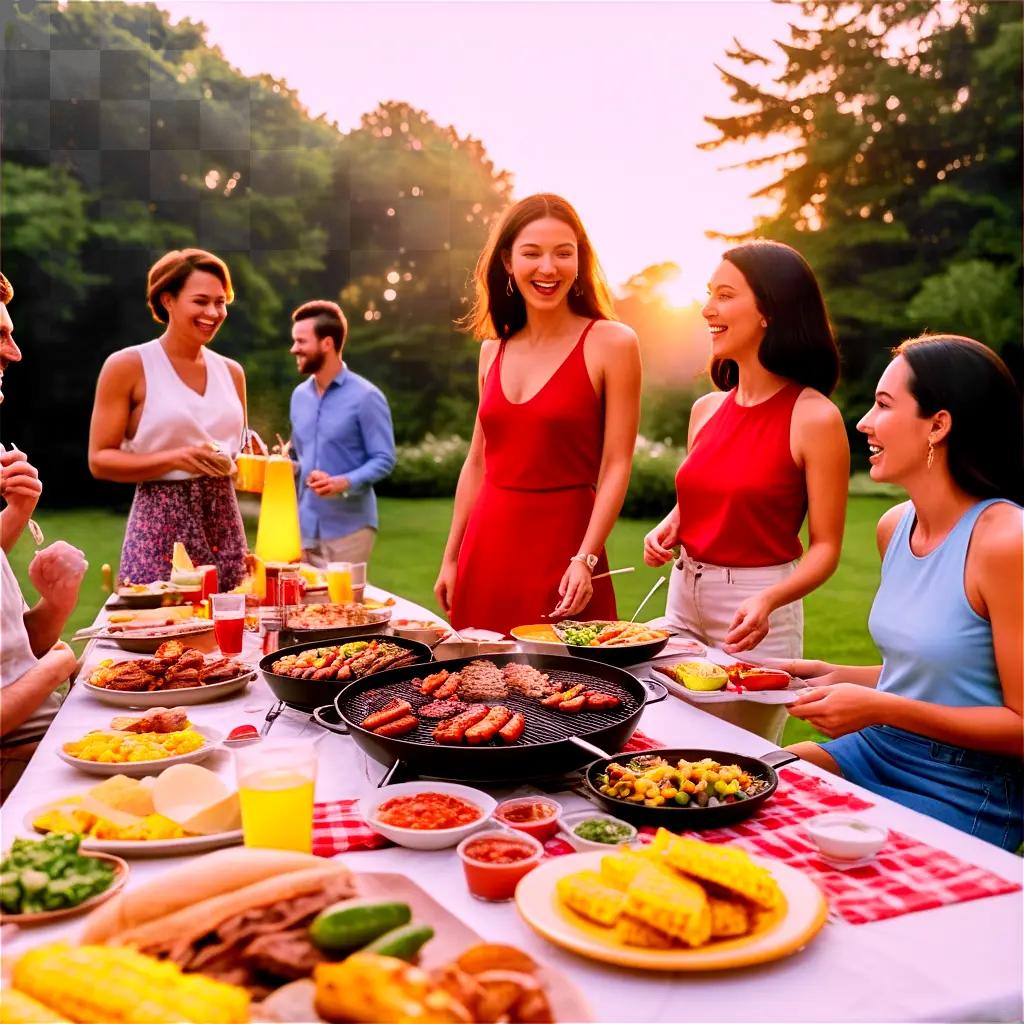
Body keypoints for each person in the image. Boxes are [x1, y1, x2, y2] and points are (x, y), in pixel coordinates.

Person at [781, 335, 1022, 850]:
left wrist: (879, 706)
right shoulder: (895, 526)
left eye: (884, 405)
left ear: (938, 424)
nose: (864, 421)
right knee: (754, 785)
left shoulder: (1007, 542)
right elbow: (941, 675)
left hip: (968, 784)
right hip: (878, 748)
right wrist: (836, 675)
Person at [642, 241, 849, 741]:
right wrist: (672, 522)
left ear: (768, 312)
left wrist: (770, 600)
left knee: (739, 758)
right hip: (683, 595)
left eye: (725, 295)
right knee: (667, 744)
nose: (708, 309)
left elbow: (826, 547)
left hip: (757, 611)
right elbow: (707, 491)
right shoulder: (707, 411)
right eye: (709, 294)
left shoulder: (814, 416)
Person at [435, 193, 642, 635]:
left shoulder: (612, 342)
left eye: (563, 253)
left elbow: (618, 463)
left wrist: (586, 557)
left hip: (566, 552)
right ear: (508, 261)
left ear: (579, 261)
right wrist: (451, 557)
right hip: (486, 549)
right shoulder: (492, 350)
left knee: (572, 694)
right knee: (476, 689)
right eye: (532, 253)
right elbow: (477, 462)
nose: (548, 268)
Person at [88, 249, 248, 589]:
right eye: (200, 301)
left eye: (220, 302)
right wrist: (176, 458)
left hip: (224, 523)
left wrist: (254, 455)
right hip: (159, 527)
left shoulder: (232, 372)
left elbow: (235, 452)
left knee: (237, 632)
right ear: (168, 300)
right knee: (158, 632)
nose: (213, 312)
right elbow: (100, 460)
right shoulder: (127, 366)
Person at [0, 271, 88, 800]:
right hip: (17, 761)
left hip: (39, 729)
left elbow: (8, 655)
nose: (14, 353)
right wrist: (60, 661)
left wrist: (54, 605)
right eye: (0, 336)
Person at [289, 300, 396, 568]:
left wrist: (343, 482)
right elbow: (298, 454)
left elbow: (384, 458)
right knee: (303, 607)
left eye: (301, 342)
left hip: (349, 529)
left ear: (327, 343)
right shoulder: (299, 396)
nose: (294, 349)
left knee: (342, 607)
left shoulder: (367, 397)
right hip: (303, 527)